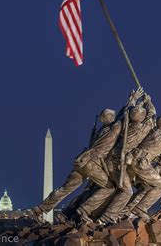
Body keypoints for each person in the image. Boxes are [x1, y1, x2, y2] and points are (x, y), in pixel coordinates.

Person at [31, 90, 143, 223]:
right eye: (112, 115)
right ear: (110, 118)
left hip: (81, 160)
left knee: (65, 189)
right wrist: (133, 100)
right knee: (109, 187)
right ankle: (83, 210)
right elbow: (123, 115)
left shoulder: (100, 131)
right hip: (92, 164)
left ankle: (39, 209)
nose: (114, 116)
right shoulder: (115, 128)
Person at [97, 94, 156, 224]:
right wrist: (148, 101)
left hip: (110, 160)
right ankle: (105, 218)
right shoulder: (143, 128)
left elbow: (121, 115)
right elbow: (152, 115)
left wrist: (133, 100)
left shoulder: (125, 125)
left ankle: (95, 213)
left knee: (111, 188)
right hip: (118, 162)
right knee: (127, 191)